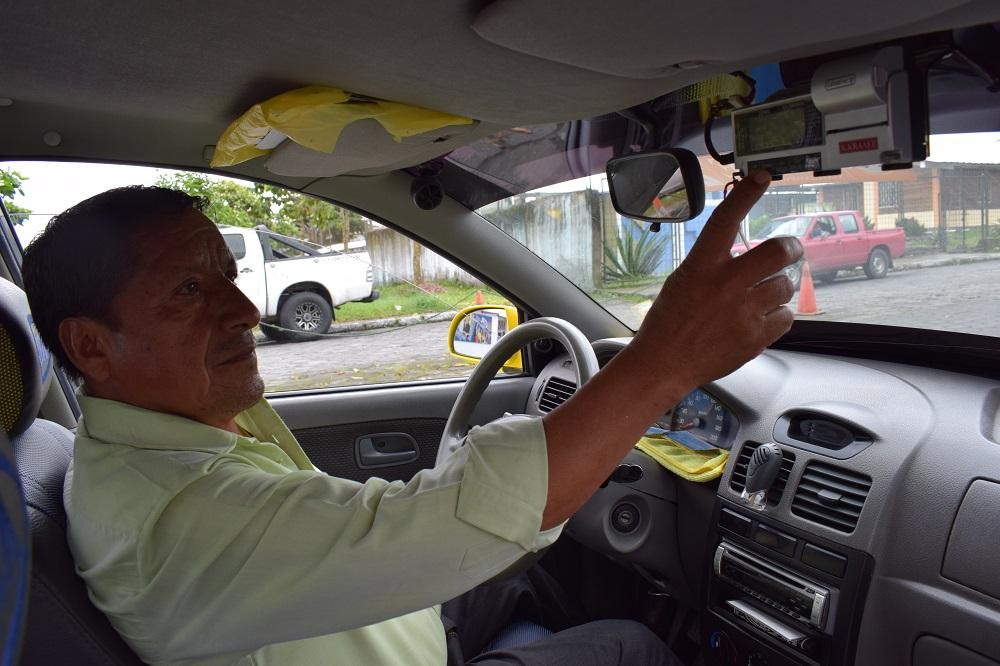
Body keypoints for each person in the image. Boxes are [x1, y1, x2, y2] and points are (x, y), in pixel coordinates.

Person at [21, 170, 800, 665]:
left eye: (228, 276)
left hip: (396, 621)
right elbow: (462, 520)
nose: (246, 310)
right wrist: (664, 359)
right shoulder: (171, 522)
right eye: (189, 291)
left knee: (542, 575)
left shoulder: (174, 432)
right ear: (92, 345)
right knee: (631, 644)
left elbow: (403, 522)